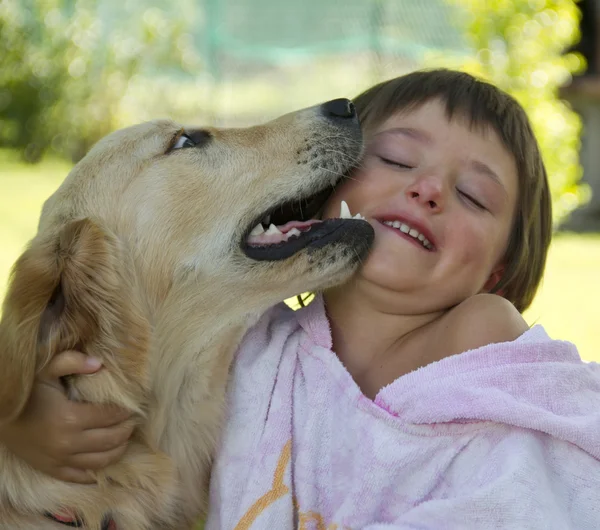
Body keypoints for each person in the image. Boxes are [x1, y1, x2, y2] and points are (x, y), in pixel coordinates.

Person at [1, 69, 599, 529]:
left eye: (473, 195)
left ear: (499, 272)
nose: (428, 189)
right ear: (326, 198)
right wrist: (19, 420)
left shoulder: (481, 337)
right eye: (392, 159)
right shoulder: (254, 346)